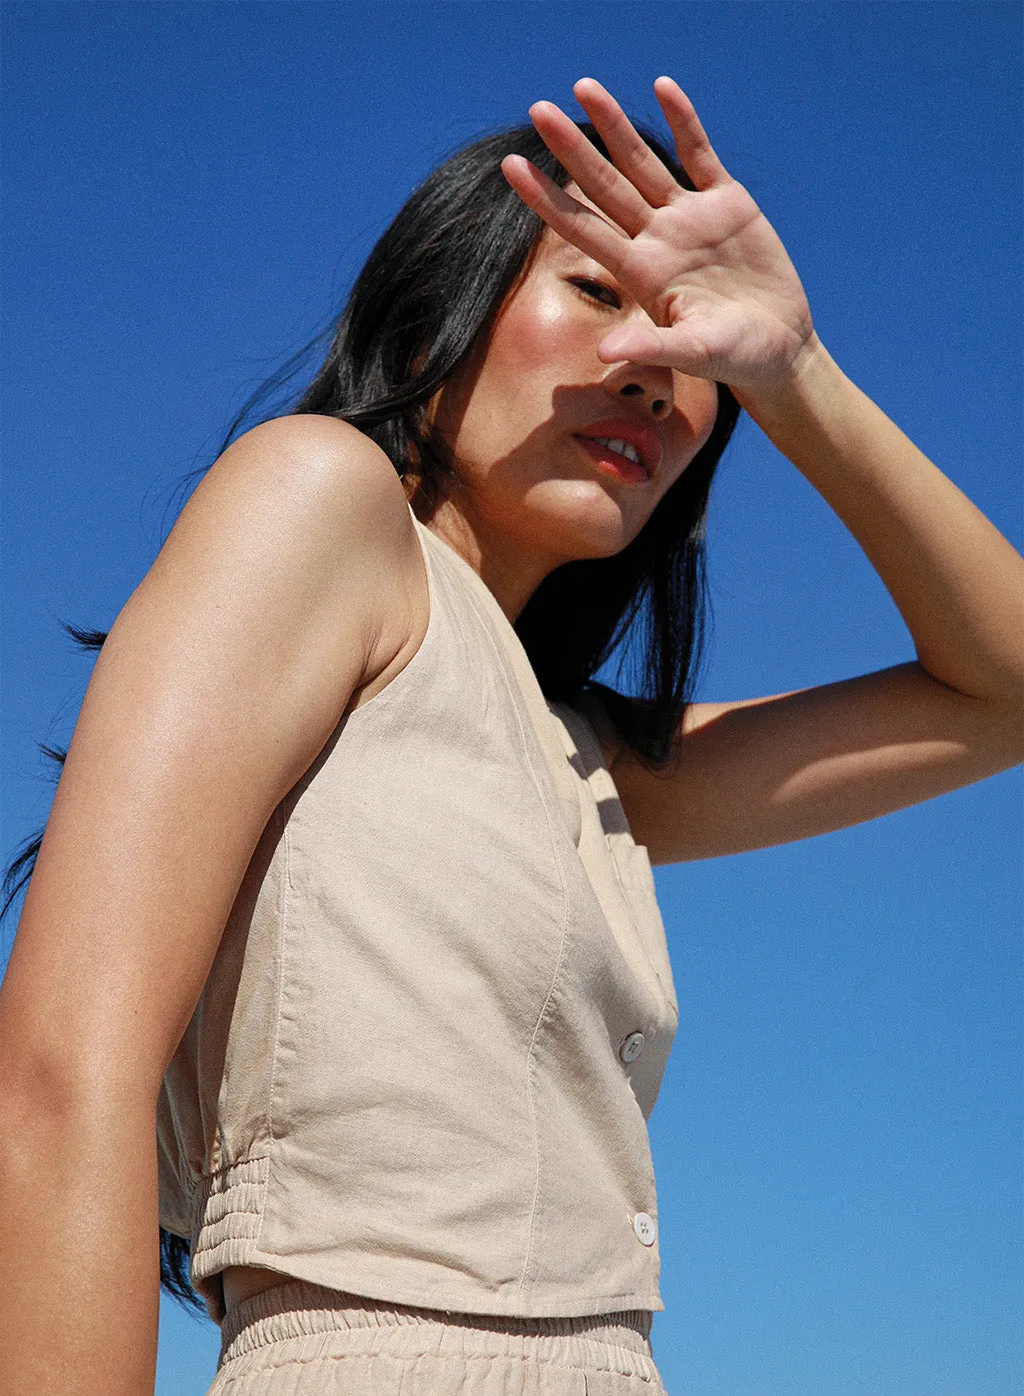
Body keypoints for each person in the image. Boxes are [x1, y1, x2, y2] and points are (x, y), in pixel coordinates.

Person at [0, 77, 1020, 1396]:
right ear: (445, 308)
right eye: (597, 295)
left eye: (689, 346)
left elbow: (1000, 691)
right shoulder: (323, 503)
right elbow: (57, 1074)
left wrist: (795, 370)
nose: (653, 371)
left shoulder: (587, 757)